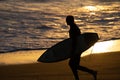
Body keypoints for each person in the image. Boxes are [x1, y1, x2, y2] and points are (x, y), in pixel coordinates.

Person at [66, 15, 97, 80]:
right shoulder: (74, 27)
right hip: (79, 48)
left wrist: (73, 51)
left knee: (72, 64)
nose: (66, 21)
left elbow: (75, 41)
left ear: (70, 21)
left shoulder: (73, 29)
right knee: (74, 65)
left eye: (67, 20)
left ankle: (92, 72)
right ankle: (91, 72)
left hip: (77, 49)